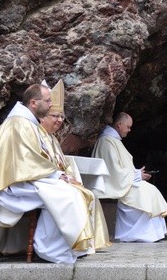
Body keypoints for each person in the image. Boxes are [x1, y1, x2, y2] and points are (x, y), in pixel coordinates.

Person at [0, 83, 97, 263]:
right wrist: (56, 175)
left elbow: (30, 161)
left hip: (21, 179)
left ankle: (65, 246)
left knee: (70, 191)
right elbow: (27, 160)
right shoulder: (19, 124)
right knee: (64, 195)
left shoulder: (27, 123)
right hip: (9, 185)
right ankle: (49, 249)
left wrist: (58, 176)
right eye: (48, 101)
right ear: (33, 103)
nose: (50, 105)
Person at [39, 80, 111, 250]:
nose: (59, 120)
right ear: (42, 117)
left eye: (61, 116)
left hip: (54, 180)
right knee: (75, 195)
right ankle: (57, 247)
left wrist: (68, 176)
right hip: (44, 182)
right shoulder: (37, 135)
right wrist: (59, 176)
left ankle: (81, 243)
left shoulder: (52, 138)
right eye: (55, 116)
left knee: (88, 194)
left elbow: (62, 164)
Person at [92, 112, 167, 242]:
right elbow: (112, 170)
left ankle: (158, 232)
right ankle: (141, 234)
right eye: (128, 127)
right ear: (119, 125)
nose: (129, 130)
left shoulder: (114, 140)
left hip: (123, 182)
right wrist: (136, 175)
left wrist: (137, 173)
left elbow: (120, 168)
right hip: (114, 185)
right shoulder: (106, 141)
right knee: (147, 191)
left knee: (149, 190)